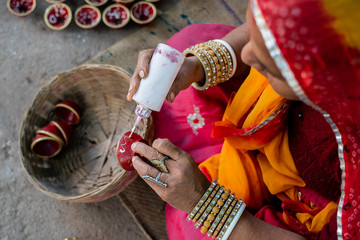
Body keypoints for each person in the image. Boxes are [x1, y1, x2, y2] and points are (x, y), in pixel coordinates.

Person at [126, 0, 360, 239]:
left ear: (318, 83)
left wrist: (203, 203)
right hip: (271, 116)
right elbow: (251, 40)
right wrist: (195, 66)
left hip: (302, 205)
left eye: (272, 64)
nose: (248, 56)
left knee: (195, 231)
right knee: (184, 47)